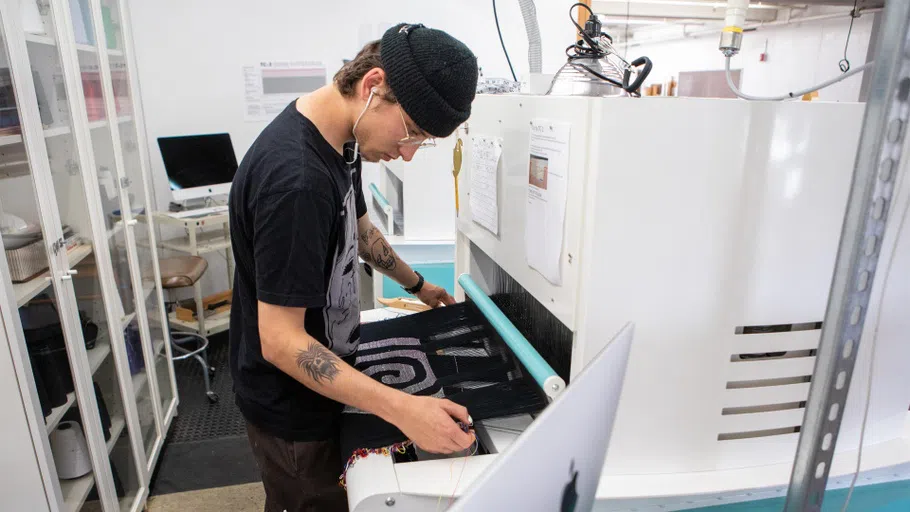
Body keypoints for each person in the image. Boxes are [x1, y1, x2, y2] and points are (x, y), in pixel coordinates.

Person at [228, 23, 479, 512]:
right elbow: (281, 341)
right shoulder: (295, 182)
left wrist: (419, 284)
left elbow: (359, 227)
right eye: (412, 134)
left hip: (322, 381)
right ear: (372, 87)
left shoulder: (341, 136)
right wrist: (406, 410)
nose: (407, 154)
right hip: (290, 407)